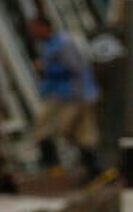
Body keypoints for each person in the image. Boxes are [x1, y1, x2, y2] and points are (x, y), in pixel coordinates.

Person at [26, 17, 104, 183]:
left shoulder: (63, 44)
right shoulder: (54, 44)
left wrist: (47, 68)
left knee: (45, 127)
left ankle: (53, 167)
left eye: (35, 28)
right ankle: (96, 172)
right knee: (81, 133)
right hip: (74, 94)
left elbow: (75, 67)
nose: (33, 33)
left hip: (71, 96)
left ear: (45, 27)